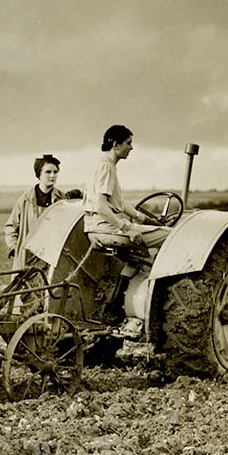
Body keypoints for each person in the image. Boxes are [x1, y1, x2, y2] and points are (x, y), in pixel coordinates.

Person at [82, 124, 171, 321]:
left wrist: (144, 219)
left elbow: (120, 203)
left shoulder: (102, 165)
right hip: (106, 227)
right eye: (128, 143)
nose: (131, 148)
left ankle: (113, 308)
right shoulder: (107, 167)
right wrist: (127, 228)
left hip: (95, 228)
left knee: (134, 258)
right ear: (115, 144)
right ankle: (160, 304)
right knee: (170, 236)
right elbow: (101, 206)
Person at [5, 154, 65, 270]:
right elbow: (11, 226)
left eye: (55, 172)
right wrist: (15, 248)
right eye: (48, 172)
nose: (52, 176)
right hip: (28, 257)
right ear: (39, 174)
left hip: (52, 257)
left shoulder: (62, 199)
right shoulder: (26, 199)